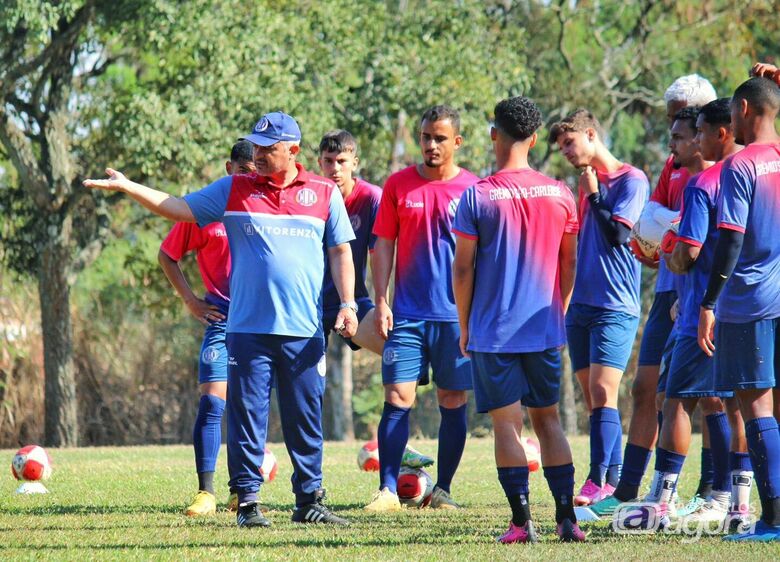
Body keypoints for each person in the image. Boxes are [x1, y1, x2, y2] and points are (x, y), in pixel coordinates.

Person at [84, 111, 357, 528]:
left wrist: (349, 303)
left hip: (304, 329)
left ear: (293, 151)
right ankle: (248, 503)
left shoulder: (323, 192)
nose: (261, 155)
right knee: (247, 416)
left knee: (305, 417)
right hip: (247, 329)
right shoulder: (234, 189)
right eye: (257, 147)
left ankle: (309, 500)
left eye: (270, 149)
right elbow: (176, 208)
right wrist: (127, 186)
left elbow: (340, 250)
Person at [452, 96, 584, 542]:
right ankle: (567, 518)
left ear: (495, 134)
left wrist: (465, 324)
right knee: (549, 421)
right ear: (532, 138)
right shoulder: (560, 193)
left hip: (494, 331)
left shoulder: (478, 195)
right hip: (543, 327)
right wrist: (559, 307)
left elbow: (463, 268)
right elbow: (569, 263)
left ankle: (521, 523)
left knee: (507, 425)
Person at [588, 75, 719, 519]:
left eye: (683, 119)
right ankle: (628, 491)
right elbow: (651, 226)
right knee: (646, 388)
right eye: (670, 119)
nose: (674, 130)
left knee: (709, 396)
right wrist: (656, 237)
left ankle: (712, 492)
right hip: (667, 289)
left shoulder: (721, 172)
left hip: (700, 295)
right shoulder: (672, 165)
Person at [623, 104, 739, 530]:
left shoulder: (703, 184)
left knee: (675, 400)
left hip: (702, 313)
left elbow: (688, 254)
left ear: (711, 136)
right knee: (736, 403)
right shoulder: (758, 175)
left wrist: (667, 252)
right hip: (742, 306)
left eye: (683, 136)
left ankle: (659, 503)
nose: (672, 146)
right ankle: (735, 504)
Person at [366, 105, 479, 511]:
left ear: (457, 142)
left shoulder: (474, 189)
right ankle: (387, 490)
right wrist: (381, 300)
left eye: (440, 138)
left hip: (456, 317)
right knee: (398, 397)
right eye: (426, 136)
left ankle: (443, 490)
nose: (431, 144)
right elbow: (383, 246)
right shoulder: (398, 185)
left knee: (452, 399)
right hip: (408, 314)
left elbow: (486, 255)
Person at [549, 109, 649, 507]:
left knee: (604, 391)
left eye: (570, 143)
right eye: (562, 148)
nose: (568, 153)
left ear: (591, 134)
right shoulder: (584, 183)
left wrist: (593, 194)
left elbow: (620, 235)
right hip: (582, 306)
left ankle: (596, 481)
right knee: (594, 399)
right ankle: (615, 482)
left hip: (615, 304)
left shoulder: (631, 179)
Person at [317, 130, 434, 468]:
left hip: (351, 302)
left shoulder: (371, 198)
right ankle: (306, 475)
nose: (335, 169)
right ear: (318, 163)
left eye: (342, 162)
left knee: (401, 353)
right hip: (307, 308)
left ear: (355, 163)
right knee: (307, 390)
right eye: (328, 162)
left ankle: (399, 445)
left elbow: (384, 253)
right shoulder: (310, 194)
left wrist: (384, 304)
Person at [698, 76, 780, 542]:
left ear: (744, 108)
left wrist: (709, 302)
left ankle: (772, 520)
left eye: (731, 112)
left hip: (751, 297)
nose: (729, 120)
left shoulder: (740, 166)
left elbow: (731, 238)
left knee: (757, 407)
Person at [158, 140, 254, 516]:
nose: (250, 178)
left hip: (258, 322)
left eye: (256, 172)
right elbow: (167, 255)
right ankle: (206, 492)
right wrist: (191, 301)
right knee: (213, 401)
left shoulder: (264, 206)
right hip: (221, 319)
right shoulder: (205, 210)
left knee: (250, 406)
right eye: (244, 171)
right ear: (229, 169)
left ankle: (241, 490)